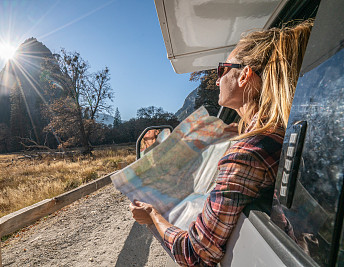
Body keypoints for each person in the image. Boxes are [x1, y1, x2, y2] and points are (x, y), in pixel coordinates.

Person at [129, 20, 313, 266]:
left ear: (244, 75)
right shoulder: (284, 131)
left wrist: (153, 215)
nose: (216, 80)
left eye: (222, 70)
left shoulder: (249, 151)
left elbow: (195, 253)